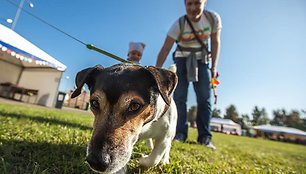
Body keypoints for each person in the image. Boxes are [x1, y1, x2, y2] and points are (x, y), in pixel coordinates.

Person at [155, 0, 222, 150]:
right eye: (189, 4)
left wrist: (214, 67)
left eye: (197, 3)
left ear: (205, 3)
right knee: (179, 97)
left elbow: (215, 42)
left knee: (204, 98)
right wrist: (156, 71)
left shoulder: (212, 19)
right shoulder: (179, 24)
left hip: (202, 60)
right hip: (182, 59)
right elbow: (165, 49)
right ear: (185, 4)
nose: (192, 8)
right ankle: (179, 134)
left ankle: (205, 137)